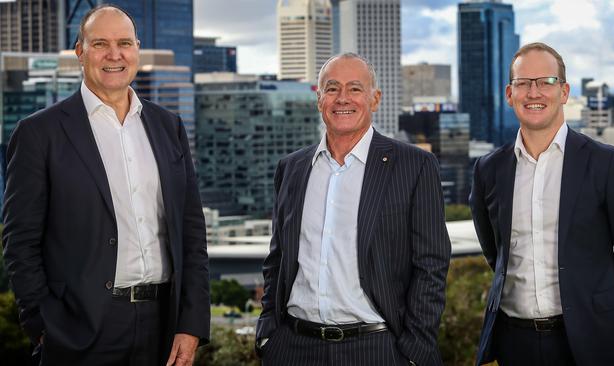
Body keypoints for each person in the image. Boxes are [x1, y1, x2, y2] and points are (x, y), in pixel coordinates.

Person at [2, 5, 210, 366]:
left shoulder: (168, 127)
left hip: (163, 324)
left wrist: (190, 324)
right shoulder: (39, 133)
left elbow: (191, 234)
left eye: (124, 43)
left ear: (137, 50)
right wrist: (42, 323)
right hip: (80, 328)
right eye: (100, 43)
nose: (115, 55)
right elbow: (20, 241)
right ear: (80, 52)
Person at [255, 53, 451, 366]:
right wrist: (268, 333)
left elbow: (431, 265)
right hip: (293, 348)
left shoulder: (414, 166)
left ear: (375, 99)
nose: (342, 98)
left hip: (378, 349)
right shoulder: (291, 169)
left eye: (355, 89)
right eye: (332, 89)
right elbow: (277, 259)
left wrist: (414, 350)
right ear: (319, 99)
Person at [470, 42, 614, 366]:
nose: (534, 92)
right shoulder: (488, 170)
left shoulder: (606, 164)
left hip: (594, 341)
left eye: (546, 82)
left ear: (564, 92)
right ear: (510, 95)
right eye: (523, 83)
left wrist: (606, 310)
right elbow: (494, 251)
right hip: (515, 343)